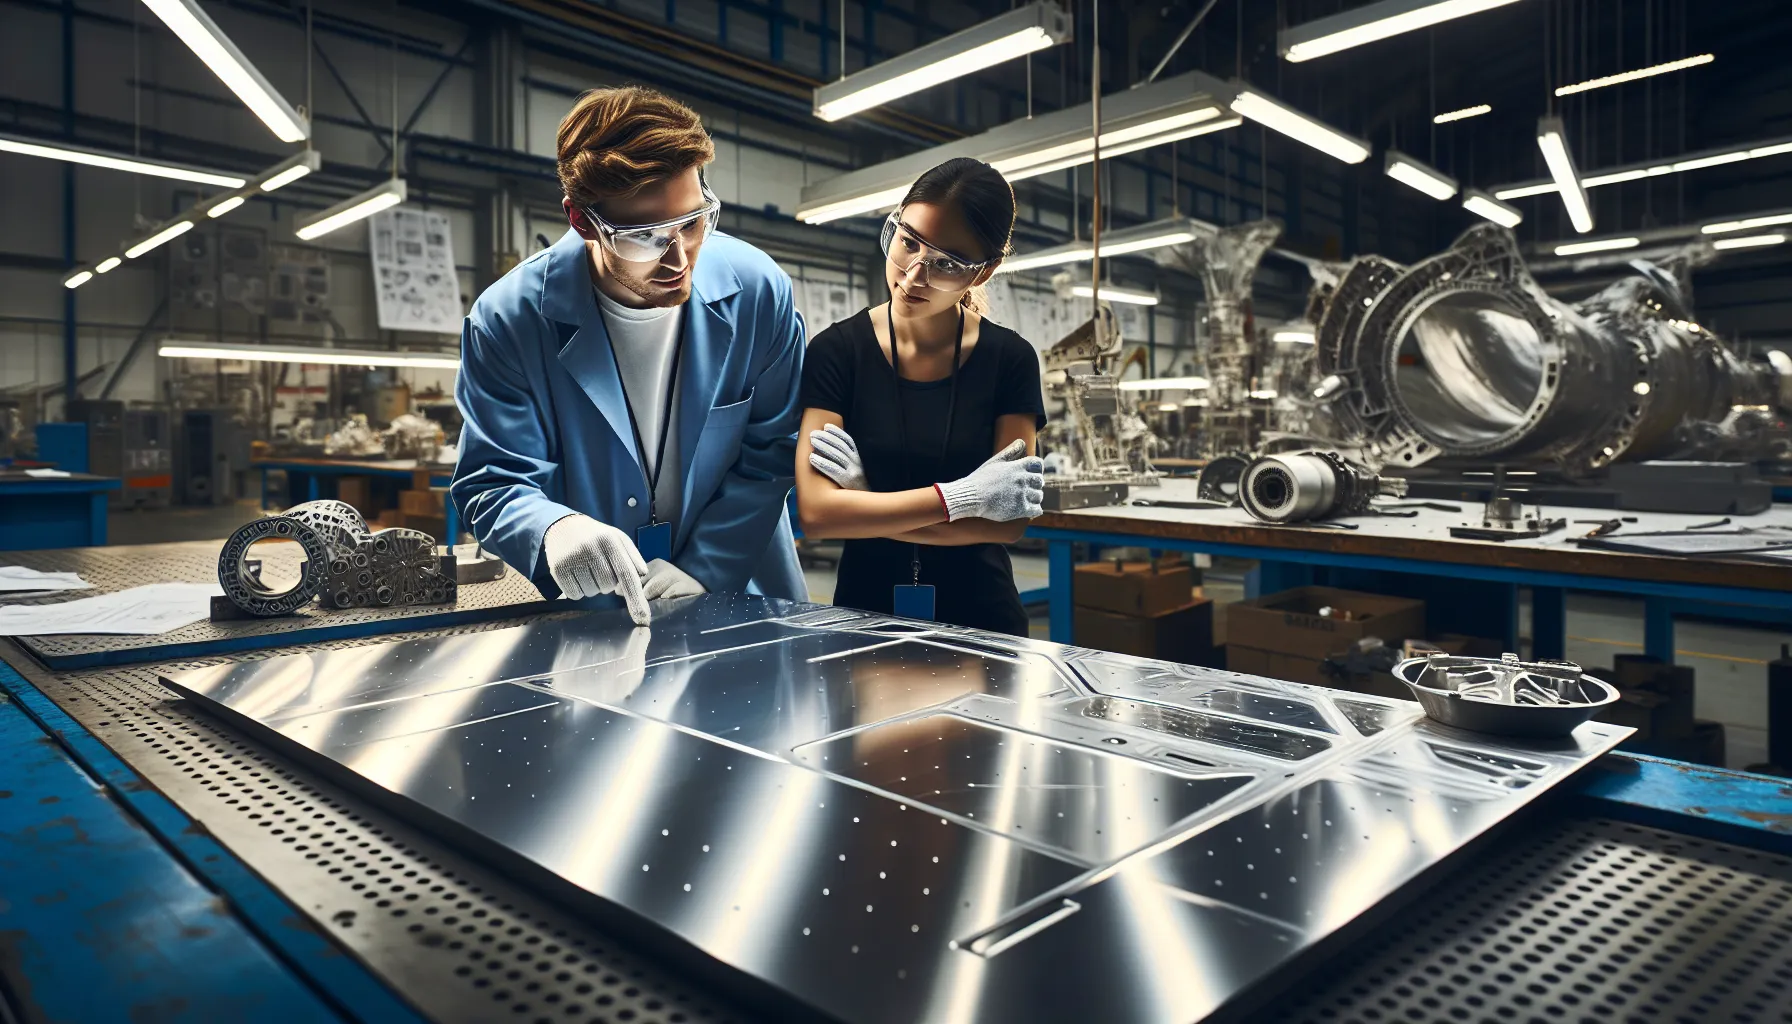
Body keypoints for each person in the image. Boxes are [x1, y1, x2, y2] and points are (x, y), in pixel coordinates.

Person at [451, 86, 807, 625]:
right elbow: (494, 478)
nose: (679, 258)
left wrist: (708, 568)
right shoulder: (508, 321)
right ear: (581, 220)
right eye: (644, 237)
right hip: (597, 612)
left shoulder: (759, 291)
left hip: (744, 590)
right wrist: (552, 528)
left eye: (692, 223)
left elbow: (771, 454)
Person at [795, 158, 1046, 637]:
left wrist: (866, 505)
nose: (913, 277)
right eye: (907, 242)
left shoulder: (1010, 360)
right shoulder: (836, 352)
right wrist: (964, 498)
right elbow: (817, 514)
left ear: (983, 272)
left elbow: (1007, 525)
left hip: (982, 620)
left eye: (947, 265)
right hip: (864, 616)